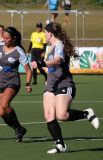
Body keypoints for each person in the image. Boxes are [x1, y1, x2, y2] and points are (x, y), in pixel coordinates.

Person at [30, 22, 100, 153]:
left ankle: (86, 113)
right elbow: (52, 68)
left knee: (62, 115)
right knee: (49, 115)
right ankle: (61, 145)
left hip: (64, 84)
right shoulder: (49, 47)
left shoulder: (59, 45)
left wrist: (42, 63)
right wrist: (47, 79)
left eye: (45, 32)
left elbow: (58, 61)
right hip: (51, 85)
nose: (44, 35)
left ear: (50, 33)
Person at [0, 27, 32, 142]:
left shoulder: (19, 51)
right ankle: (19, 128)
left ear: (14, 39)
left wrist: (28, 83)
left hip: (12, 82)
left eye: (7, 38)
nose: (4, 40)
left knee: (5, 104)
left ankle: (18, 129)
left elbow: (28, 70)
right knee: (1, 113)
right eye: (3, 37)